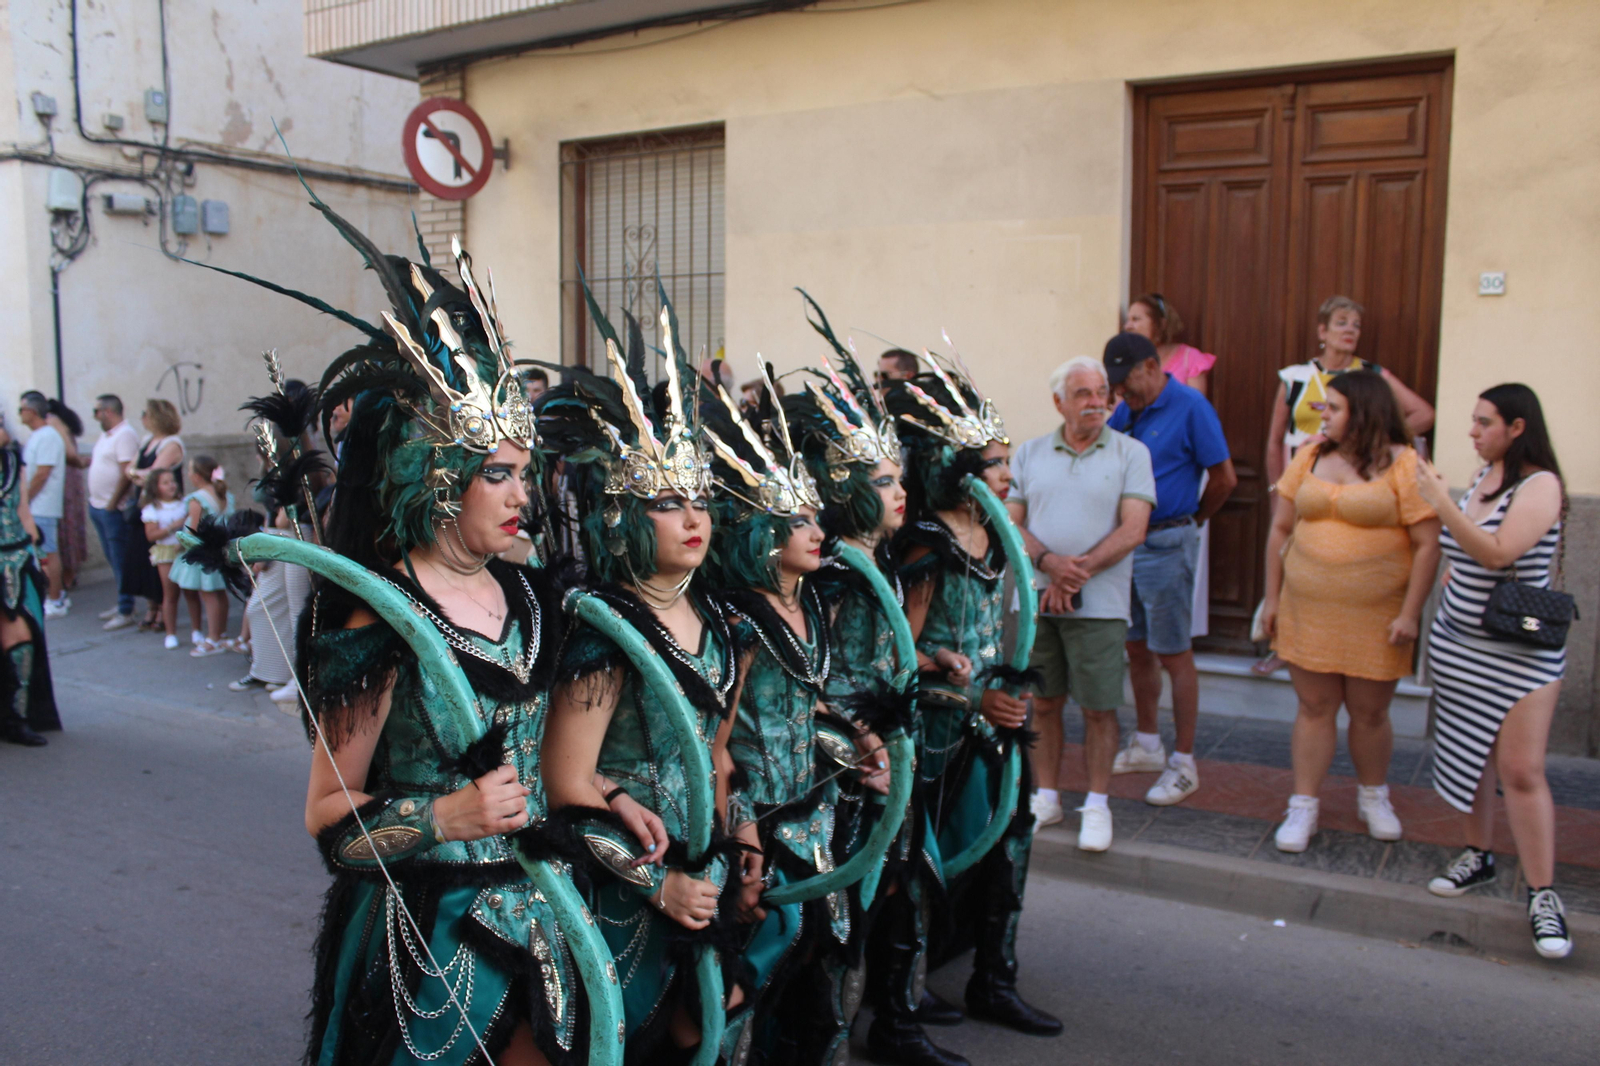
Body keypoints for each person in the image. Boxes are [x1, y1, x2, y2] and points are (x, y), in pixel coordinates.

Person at [540, 303, 741, 1064]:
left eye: (699, 501)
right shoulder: (605, 630)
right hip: (620, 892)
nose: (693, 519)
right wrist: (655, 885)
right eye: (667, 504)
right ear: (626, 517)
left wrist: (739, 844)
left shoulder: (718, 619)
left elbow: (718, 753)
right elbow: (565, 781)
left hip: (705, 877)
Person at [887, 357, 1063, 1041]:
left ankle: (996, 977)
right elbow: (899, 653)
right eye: (994, 462)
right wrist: (960, 686)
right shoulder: (926, 543)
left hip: (995, 723)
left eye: (1008, 460)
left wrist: (1003, 691)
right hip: (939, 730)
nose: (1007, 474)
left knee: (1011, 843)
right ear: (956, 467)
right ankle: (904, 989)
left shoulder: (993, 530)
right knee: (926, 856)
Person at [1416, 384, 1574, 960]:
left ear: (1517, 427)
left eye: (1485, 422)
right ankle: (1478, 856)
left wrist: (1441, 502)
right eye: (1474, 420)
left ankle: (1543, 894)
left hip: (1521, 654)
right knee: (1473, 756)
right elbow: (1467, 552)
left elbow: (1499, 552)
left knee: (1521, 770)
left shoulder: (1541, 485)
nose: (1473, 431)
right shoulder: (1485, 477)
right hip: (1460, 647)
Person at [1261, 372, 1440, 853]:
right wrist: (1272, 599)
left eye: (1334, 407)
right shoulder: (1309, 456)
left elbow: (1427, 545)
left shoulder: (1406, 465)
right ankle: (1303, 806)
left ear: (1364, 412)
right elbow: (1280, 529)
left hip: (1377, 619)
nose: (1323, 414)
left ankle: (1374, 798)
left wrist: (1411, 614)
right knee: (1313, 708)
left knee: (1370, 713)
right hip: (1308, 611)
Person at [1008, 357, 1154, 851]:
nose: (1097, 402)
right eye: (1084, 394)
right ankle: (1047, 797)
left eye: (1102, 392)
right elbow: (1011, 522)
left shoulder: (1132, 453)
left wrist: (1072, 575)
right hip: (1037, 601)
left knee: (1099, 708)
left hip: (1100, 605)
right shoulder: (1029, 453)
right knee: (1044, 704)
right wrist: (1050, 564)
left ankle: (1096, 804)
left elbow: (1134, 529)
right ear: (1059, 403)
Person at [1257, 296, 1436, 675]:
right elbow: (1274, 441)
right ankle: (1282, 642)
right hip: (1303, 481)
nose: (1351, 330)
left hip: (1362, 477)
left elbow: (1423, 413)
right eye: (1342, 322)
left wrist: (1376, 439)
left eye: (1356, 324)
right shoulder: (1295, 378)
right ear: (1322, 330)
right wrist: (1277, 491)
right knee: (1292, 550)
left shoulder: (1372, 377)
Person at [1104, 333, 1237, 807]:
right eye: (1117, 386)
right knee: (1137, 648)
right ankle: (1147, 743)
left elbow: (1224, 478)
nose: (1122, 393)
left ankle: (1184, 763)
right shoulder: (1127, 410)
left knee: (1174, 652)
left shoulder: (1191, 407)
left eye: (1127, 382)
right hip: (1128, 544)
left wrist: (1193, 520)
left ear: (1151, 366)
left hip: (1167, 541)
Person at [1124, 294, 1215, 640]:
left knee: (1171, 624)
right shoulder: (1126, 368)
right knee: (1136, 634)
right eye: (1128, 318)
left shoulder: (1188, 361)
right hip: (1136, 492)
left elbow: (1196, 415)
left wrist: (1196, 517)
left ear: (1159, 325)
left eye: (1137, 319)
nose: (1129, 325)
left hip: (1175, 475)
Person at [0, 412, 58, 746]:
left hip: (17, 559)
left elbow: (23, 511)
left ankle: (17, 720)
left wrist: (40, 557)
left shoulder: (12, 462)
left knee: (22, 641)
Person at [122, 399, 185, 629]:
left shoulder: (172, 443)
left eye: (145, 413)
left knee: (160, 559)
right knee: (142, 558)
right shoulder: (147, 441)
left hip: (164, 509)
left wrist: (138, 474)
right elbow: (130, 470)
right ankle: (151, 607)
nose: (142, 418)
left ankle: (161, 611)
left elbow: (153, 474)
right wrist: (138, 474)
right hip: (146, 507)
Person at [167, 456, 236, 656]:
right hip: (221, 549)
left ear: (197, 476)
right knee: (220, 593)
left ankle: (213, 638)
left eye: (190, 471)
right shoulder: (225, 494)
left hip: (205, 552)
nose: (188, 475)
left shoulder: (197, 499)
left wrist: (180, 545)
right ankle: (221, 633)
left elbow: (193, 529)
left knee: (209, 594)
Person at [85, 394, 141, 630]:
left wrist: (112, 503)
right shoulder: (107, 435)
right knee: (112, 558)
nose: (95, 416)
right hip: (98, 505)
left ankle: (126, 608)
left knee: (120, 560)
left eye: (96, 411)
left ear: (108, 411)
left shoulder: (125, 435)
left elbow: (126, 474)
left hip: (113, 509)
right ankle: (122, 603)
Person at [18, 394, 68, 618]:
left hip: (42, 505)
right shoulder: (38, 435)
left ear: (32, 411)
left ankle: (56, 599)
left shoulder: (48, 436)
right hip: (36, 506)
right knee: (42, 552)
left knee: (48, 552)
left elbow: (42, 473)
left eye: (21, 409)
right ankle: (54, 595)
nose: (19, 414)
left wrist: (25, 500)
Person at [1124, 293, 1215, 396]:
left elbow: (1196, 404)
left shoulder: (1189, 358)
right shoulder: (1128, 361)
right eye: (1128, 320)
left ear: (1161, 323)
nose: (1127, 326)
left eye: (1135, 319)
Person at [140, 468, 189, 651]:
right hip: (166, 552)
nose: (171, 485)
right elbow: (151, 535)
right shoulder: (152, 509)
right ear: (156, 487)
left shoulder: (184, 503)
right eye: (165, 483)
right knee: (170, 594)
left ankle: (197, 632)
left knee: (191, 593)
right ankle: (171, 633)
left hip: (186, 550)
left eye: (173, 481)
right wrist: (173, 526)